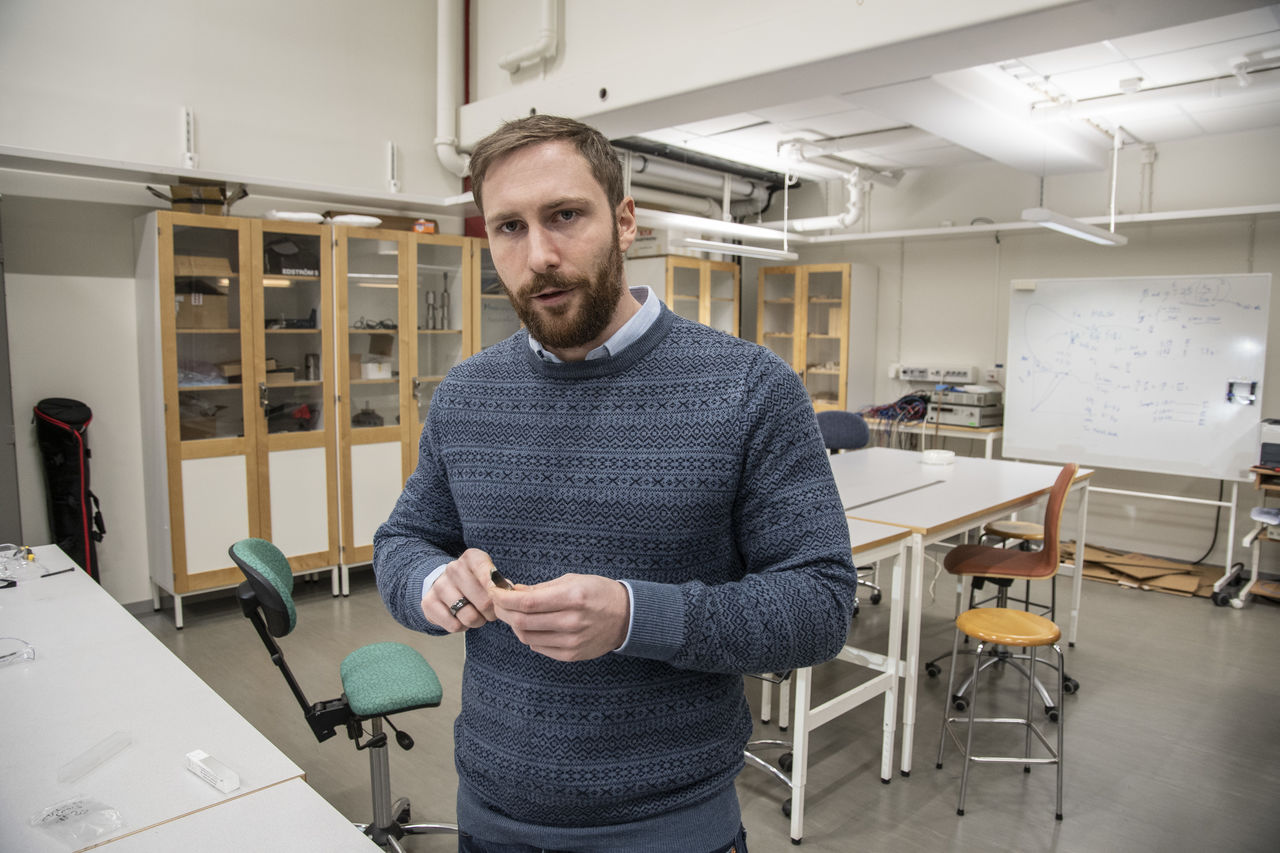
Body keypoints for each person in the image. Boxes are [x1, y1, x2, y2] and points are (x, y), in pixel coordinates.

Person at [373, 114, 857, 853]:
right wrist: (433, 580)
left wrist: (638, 616)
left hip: (671, 828)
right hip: (491, 817)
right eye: (509, 227)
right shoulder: (468, 393)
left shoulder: (749, 387)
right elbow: (403, 540)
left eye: (565, 215)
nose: (540, 255)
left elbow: (820, 602)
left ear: (625, 222)